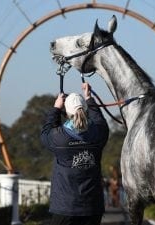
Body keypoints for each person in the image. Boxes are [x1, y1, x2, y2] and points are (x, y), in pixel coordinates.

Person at [40, 83, 109, 225]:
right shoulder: (99, 133)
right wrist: (89, 97)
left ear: (67, 112)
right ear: (86, 110)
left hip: (65, 208)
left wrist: (56, 108)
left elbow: (46, 132)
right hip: (93, 208)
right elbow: (99, 120)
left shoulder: (59, 138)